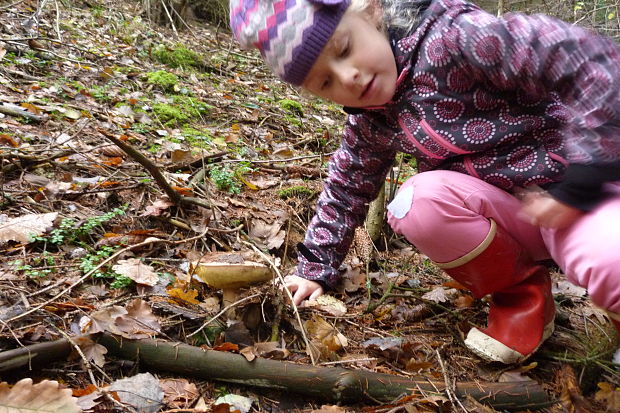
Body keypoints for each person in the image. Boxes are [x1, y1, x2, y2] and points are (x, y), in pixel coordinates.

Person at [229, 0, 620, 363]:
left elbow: (592, 62)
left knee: (611, 260)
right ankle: (522, 299)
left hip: (584, 199)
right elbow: (346, 185)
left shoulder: (459, 39)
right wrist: (313, 267)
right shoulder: (371, 119)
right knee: (415, 201)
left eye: (345, 47)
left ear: (370, 12)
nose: (347, 77)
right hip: (516, 220)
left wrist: (583, 178)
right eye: (325, 83)